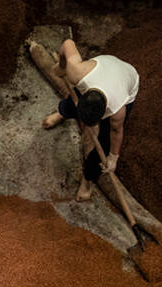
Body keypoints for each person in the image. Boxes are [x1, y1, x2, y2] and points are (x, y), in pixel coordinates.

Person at [41, 39, 139, 202]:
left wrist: (114, 157)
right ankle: (63, 113)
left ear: (104, 114)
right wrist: (61, 67)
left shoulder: (117, 110)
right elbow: (67, 43)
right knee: (72, 102)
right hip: (105, 64)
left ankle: (88, 182)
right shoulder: (77, 73)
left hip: (128, 78)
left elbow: (117, 131)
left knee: (104, 142)